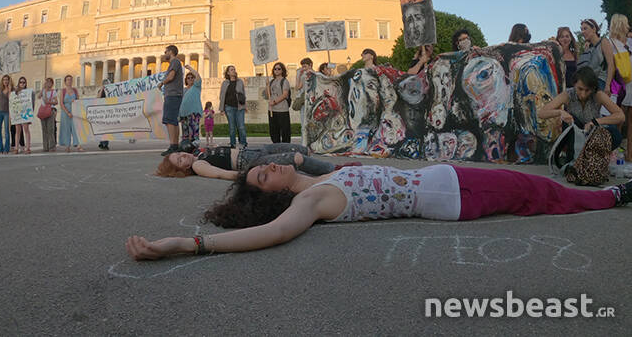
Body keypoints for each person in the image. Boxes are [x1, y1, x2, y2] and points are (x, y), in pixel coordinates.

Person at [126, 162, 631, 259]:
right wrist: (188, 245)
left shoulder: (321, 177)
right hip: (449, 194)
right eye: (263, 175)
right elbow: (276, 234)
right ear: (271, 193)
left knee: (531, 191)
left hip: (449, 183)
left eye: (265, 165)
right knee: (533, 192)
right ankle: (611, 197)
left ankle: (606, 193)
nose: (271, 166)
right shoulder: (311, 200)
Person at [538, 66, 624, 149]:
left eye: (587, 90)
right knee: (569, 122)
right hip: (575, 134)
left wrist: (594, 122)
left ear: (593, 88)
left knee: (616, 135)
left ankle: (594, 155)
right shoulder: (568, 95)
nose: (583, 94)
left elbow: (621, 116)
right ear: (574, 84)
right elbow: (542, 113)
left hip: (593, 134)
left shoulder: (598, 95)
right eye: (580, 89)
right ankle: (573, 156)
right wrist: (560, 112)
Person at [156, 143, 336, 180]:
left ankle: (319, 168)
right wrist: (243, 177)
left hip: (255, 150)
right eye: (179, 160)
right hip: (252, 161)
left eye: (179, 154)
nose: (183, 156)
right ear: (182, 169)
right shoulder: (198, 165)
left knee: (300, 149)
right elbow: (219, 173)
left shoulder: (199, 154)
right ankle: (336, 170)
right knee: (297, 159)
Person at [609, 14, 632, 160]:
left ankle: (630, 154)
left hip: (630, 83)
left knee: (630, 122)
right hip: (620, 85)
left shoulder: (629, 41)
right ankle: (613, 153)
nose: (628, 25)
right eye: (626, 23)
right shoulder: (610, 43)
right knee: (619, 119)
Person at [157, 45, 184, 156]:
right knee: (173, 121)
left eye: (166, 51)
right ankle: (175, 145)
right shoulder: (176, 63)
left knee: (169, 120)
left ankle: (173, 145)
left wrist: (162, 82)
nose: (165, 53)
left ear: (171, 52)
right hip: (175, 95)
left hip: (172, 95)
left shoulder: (174, 62)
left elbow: (171, 76)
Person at [578, 18, 615, 97]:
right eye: (581, 29)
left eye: (585, 28)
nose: (583, 32)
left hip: (600, 82)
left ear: (594, 29)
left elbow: (611, 64)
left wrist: (607, 85)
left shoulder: (603, 42)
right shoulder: (588, 47)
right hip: (588, 84)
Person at [219, 65, 247, 149]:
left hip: (239, 107)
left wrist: (245, 106)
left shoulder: (240, 82)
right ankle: (232, 143)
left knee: (241, 126)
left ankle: (243, 143)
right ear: (228, 72)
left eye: (234, 69)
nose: (233, 71)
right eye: (231, 70)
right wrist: (221, 109)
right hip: (229, 107)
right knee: (232, 127)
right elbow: (222, 96)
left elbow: (243, 94)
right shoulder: (225, 83)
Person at [179, 65, 203, 147]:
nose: (190, 79)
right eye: (188, 78)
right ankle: (185, 147)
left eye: (192, 77)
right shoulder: (183, 90)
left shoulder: (197, 87)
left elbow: (198, 76)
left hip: (194, 112)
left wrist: (190, 69)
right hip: (183, 113)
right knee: (185, 133)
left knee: (194, 131)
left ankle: (195, 147)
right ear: (186, 80)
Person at [58, 74, 83, 153]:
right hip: (65, 112)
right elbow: (61, 103)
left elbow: (79, 101)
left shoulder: (75, 90)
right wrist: (67, 112)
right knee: (66, 129)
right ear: (65, 82)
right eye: (68, 80)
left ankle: (78, 145)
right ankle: (67, 146)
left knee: (76, 128)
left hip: (74, 111)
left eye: (71, 79)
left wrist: (75, 103)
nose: (69, 81)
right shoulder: (63, 91)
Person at [268, 62, 291, 143]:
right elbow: (267, 95)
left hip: (282, 110)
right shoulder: (271, 82)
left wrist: (274, 102)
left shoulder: (284, 81)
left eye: (279, 69)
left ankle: (286, 148)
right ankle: (276, 147)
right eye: (275, 69)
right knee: (274, 131)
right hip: (272, 110)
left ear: (282, 70)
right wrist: (266, 86)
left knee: (285, 131)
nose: (276, 70)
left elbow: (285, 94)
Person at [11, 76, 33, 154]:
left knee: (26, 130)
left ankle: (28, 148)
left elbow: (31, 103)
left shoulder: (28, 92)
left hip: (25, 113)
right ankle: (16, 147)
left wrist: (30, 116)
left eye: (24, 82)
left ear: (26, 83)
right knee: (17, 131)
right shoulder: (15, 93)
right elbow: (12, 103)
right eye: (21, 82)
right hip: (17, 113)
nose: (22, 84)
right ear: (18, 83)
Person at [0, 75, 13, 154]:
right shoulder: (0, 89)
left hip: (7, 112)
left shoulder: (10, 90)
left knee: (6, 131)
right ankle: (0, 148)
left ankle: (6, 149)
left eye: (7, 80)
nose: (5, 81)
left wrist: (9, 90)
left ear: (9, 81)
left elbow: (11, 99)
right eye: (4, 80)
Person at [40, 77, 58, 152]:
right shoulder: (43, 91)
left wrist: (49, 102)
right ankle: (45, 146)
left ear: (52, 84)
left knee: (50, 129)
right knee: (44, 129)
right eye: (47, 82)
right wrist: (43, 88)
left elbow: (56, 102)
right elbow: (38, 96)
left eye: (50, 82)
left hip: (51, 110)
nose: (48, 83)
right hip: (43, 111)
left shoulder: (53, 92)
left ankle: (52, 146)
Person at [294, 58, 313, 126]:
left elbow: (297, 87)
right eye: (302, 66)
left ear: (310, 65)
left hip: (308, 100)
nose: (303, 68)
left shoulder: (305, 76)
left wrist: (298, 76)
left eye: (305, 66)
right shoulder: (315, 74)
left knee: (305, 122)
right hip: (307, 100)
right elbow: (297, 88)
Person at [97, 81, 109, 151]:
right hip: (101, 111)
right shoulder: (100, 91)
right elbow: (98, 98)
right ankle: (102, 143)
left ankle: (105, 144)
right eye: (105, 84)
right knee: (102, 128)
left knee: (107, 129)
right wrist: (102, 89)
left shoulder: (111, 91)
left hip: (108, 112)